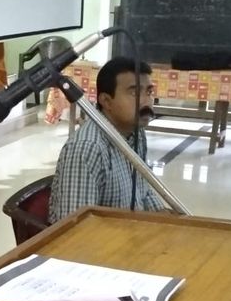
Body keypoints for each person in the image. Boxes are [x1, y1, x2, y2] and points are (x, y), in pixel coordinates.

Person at [49, 56, 167, 223]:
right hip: (106, 237)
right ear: (106, 101)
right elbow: (77, 228)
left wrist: (166, 218)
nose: (146, 101)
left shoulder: (136, 133)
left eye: (149, 92)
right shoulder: (88, 149)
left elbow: (143, 191)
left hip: (134, 230)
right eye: (134, 93)